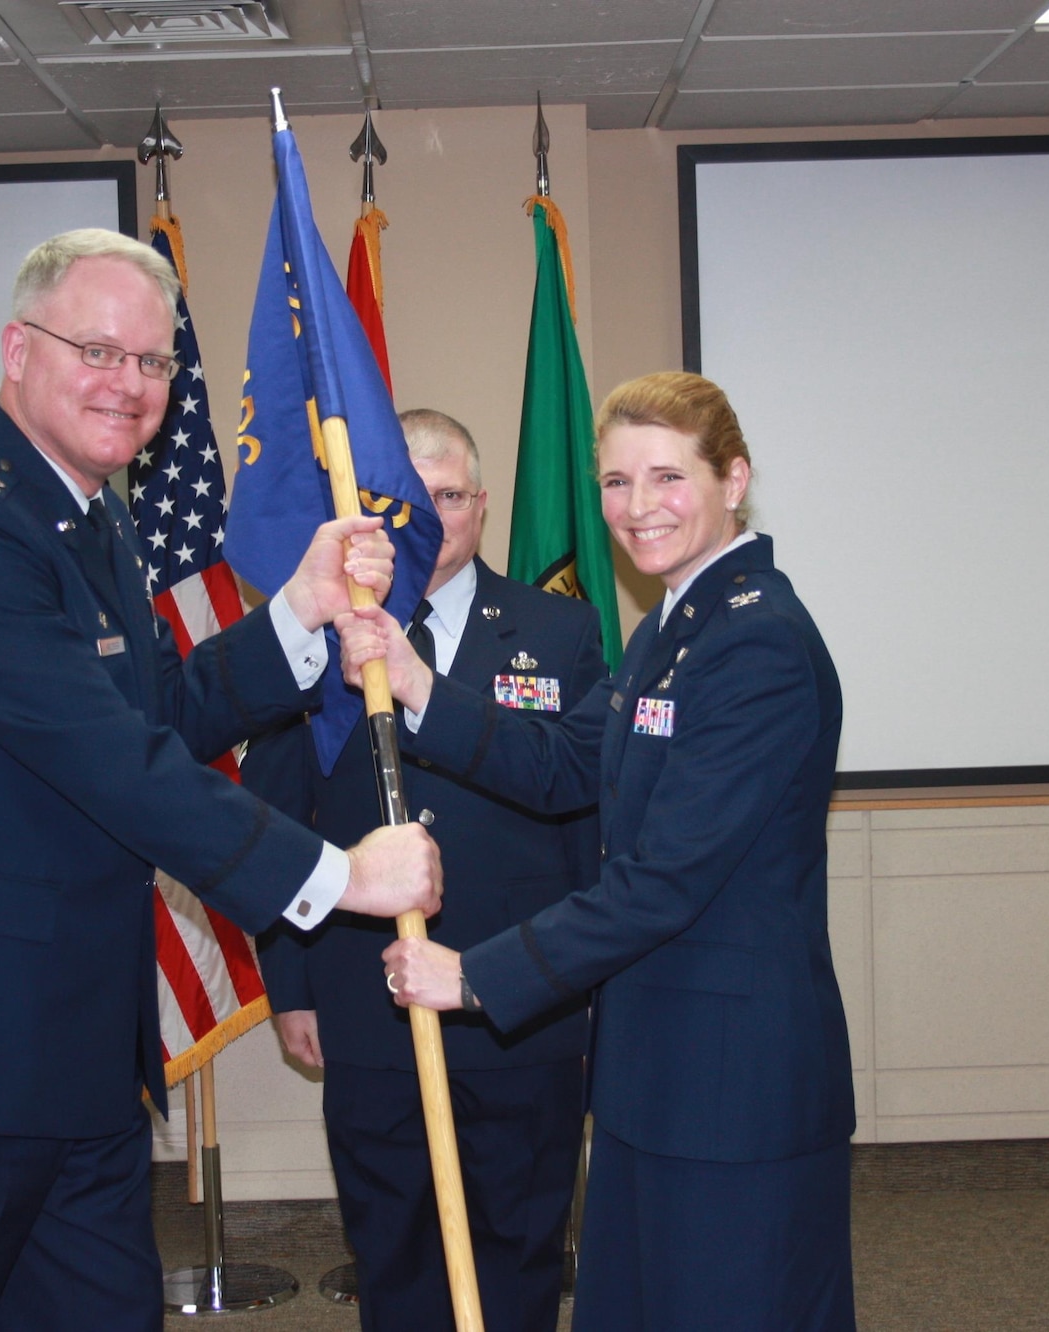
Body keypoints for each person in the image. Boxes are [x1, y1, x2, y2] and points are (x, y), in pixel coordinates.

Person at [0, 228, 442, 1332]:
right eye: (97, 351)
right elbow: (110, 761)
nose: (128, 385)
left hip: (77, 1063)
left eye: (151, 364)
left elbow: (156, 714)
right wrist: (335, 877)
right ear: (16, 349)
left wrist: (297, 612)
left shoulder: (89, 519)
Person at [345, 372, 857, 1331]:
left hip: (733, 1087)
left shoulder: (759, 644)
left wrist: (478, 977)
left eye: (667, 478)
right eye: (617, 483)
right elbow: (566, 760)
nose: (636, 508)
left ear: (733, 478)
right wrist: (419, 687)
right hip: (656, 1076)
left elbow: (666, 878)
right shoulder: (673, 627)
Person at [245, 409, 604, 1332]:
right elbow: (272, 822)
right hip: (366, 1002)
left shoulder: (559, 631)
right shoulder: (323, 634)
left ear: (481, 505)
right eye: (408, 501)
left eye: (449, 496)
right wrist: (290, 983)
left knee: (521, 1248)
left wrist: (583, 988)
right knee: (393, 1250)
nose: (431, 520)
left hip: (518, 1004)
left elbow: (581, 819)